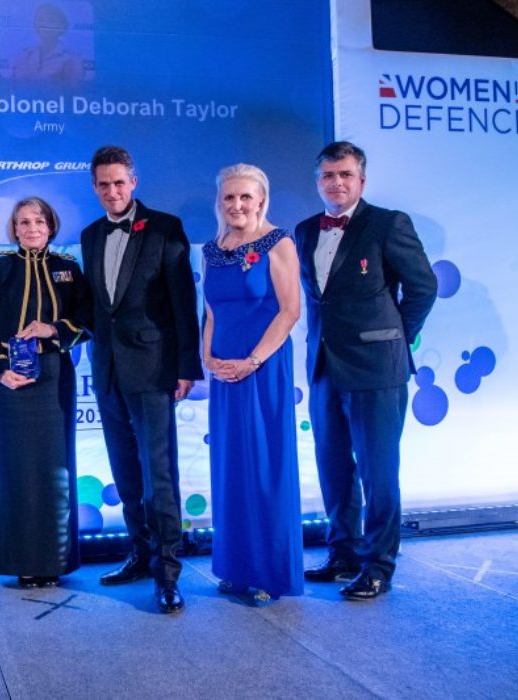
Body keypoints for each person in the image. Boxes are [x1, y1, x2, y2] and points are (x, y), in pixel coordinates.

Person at [296, 141, 438, 600]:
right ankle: (343, 554)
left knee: (378, 471)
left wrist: (395, 333)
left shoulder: (388, 223)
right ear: (317, 181)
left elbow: (423, 287)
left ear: (361, 179)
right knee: (333, 466)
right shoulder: (303, 231)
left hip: (378, 369)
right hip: (323, 366)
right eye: (328, 176)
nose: (336, 183)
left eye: (345, 175)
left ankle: (378, 565)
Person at [79, 145, 203, 614]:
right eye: (103, 185)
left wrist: (186, 366)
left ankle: (168, 572)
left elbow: (182, 302)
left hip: (154, 370)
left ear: (134, 182)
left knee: (159, 475)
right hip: (107, 369)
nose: (112, 191)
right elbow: (94, 307)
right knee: (126, 473)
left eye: (119, 183)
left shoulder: (166, 227)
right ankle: (140, 552)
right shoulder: (90, 235)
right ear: (95, 188)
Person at [0, 196, 90, 588]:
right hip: (11, 379)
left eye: (38, 221)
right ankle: (21, 559)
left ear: (51, 225)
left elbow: (87, 321)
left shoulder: (69, 268)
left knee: (56, 468)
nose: (31, 229)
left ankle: (55, 559)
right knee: (17, 469)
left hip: (55, 375)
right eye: (23, 222)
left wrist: (53, 328)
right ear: (14, 229)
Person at [202, 164, 303, 605]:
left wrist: (253, 361)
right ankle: (235, 567)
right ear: (219, 202)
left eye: (246, 197)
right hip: (224, 373)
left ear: (261, 200)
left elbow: (290, 311)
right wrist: (207, 357)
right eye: (229, 198)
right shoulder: (212, 249)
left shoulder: (278, 243)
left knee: (265, 469)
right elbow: (211, 311)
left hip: (262, 371)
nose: (237, 205)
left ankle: (268, 571)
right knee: (231, 469)